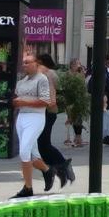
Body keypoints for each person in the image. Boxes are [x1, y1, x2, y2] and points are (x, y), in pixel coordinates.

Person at [11, 53, 53, 199]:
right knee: (32, 155)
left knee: (24, 151)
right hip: (22, 117)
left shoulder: (41, 79)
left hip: (36, 117)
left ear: (36, 63)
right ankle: (48, 171)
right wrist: (17, 102)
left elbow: (45, 101)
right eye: (23, 62)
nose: (25, 65)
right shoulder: (21, 82)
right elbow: (17, 98)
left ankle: (28, 187)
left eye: (28, 62)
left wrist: (23, 102)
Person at [36, 54, 74, 190]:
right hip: (46, 111)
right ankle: (58, 168)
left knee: (43, 144)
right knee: (42, 145)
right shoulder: (48, 73)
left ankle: (60, 166)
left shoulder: (47, 73)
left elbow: (54, 90)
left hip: (48, 111)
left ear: (41, 62)